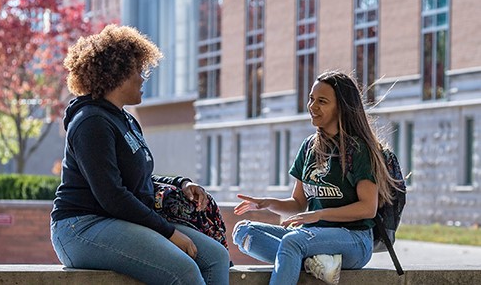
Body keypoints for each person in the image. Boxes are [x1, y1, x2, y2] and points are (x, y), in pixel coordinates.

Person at [50, 24, 230, 285]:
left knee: (215, 256)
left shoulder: (125, 120)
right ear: (117, 74)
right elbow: (112, 195)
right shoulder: (91, 122)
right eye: (138, 70)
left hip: (118, 220)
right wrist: (168, 232)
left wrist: (182, 183)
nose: (143, 78)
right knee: (184, 271)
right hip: (81, 227)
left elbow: (136, 178)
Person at [231, 70, 399, 285]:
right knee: (244, 232)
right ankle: (315, 263)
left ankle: (306, 258)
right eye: (311, 99)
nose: (312, 106)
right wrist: (268, 204)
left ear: (341, 107)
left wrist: (318, 215)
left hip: (354, 240)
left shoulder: (358, 150)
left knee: (293, 242)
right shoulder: (309, 147)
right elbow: (299, 203)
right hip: (313, 237)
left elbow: (368, 208)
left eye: (322, 101)